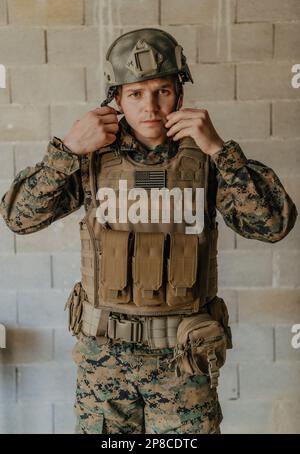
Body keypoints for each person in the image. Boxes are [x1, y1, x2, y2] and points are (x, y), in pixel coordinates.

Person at [0, 28, 297, 435]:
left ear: (181, 93)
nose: (151, 106)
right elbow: (19, 218)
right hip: (104, 364)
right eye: (136, 94)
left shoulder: (207, 157)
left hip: (184, 360)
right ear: (116, 99)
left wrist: (220, 151)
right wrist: (66, 151)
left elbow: (274, 224)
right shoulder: (90, 158)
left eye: (163, 91)